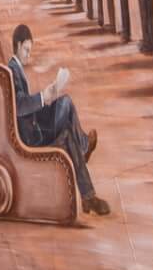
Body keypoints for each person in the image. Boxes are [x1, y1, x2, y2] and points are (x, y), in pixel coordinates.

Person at [8, 24, 108, 216]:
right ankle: (84, 150)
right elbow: (18, 105)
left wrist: (48, 96)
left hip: (32, 124)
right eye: (27, 50)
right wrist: (43, 97)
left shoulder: (15, 68)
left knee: (65, 103)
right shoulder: (12, 69)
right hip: (31, 135)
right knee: (66, 109)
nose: (29, 55)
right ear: (18, 45)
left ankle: (88, 196)